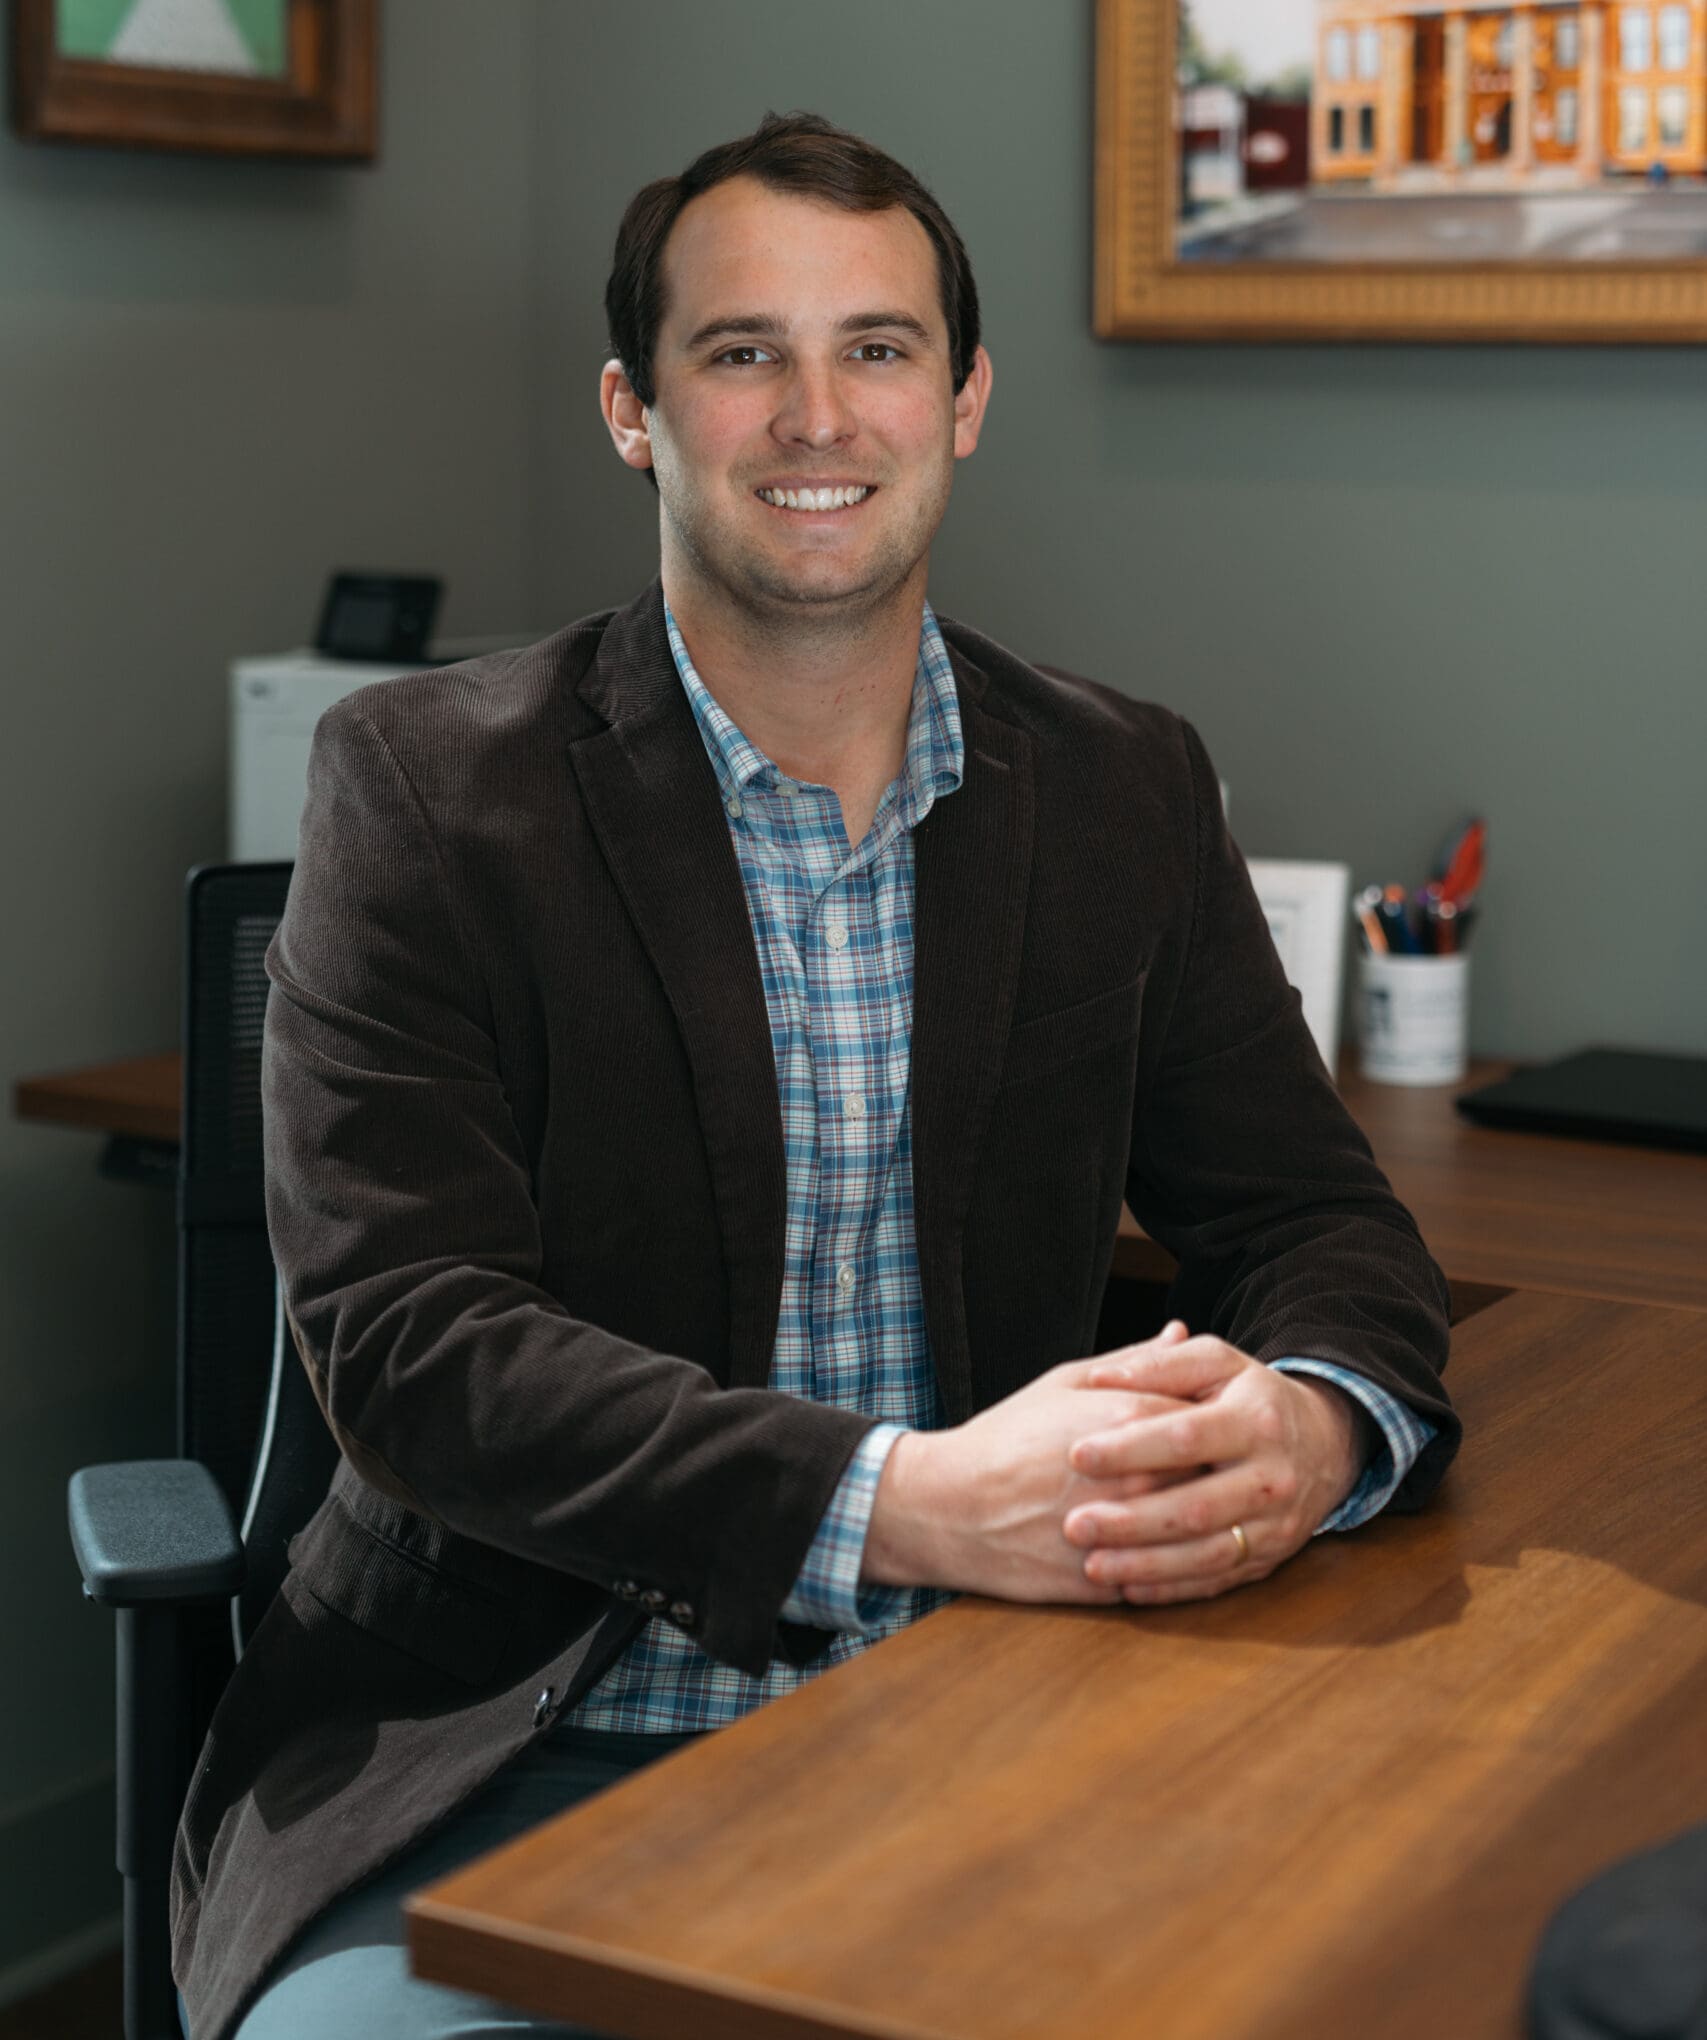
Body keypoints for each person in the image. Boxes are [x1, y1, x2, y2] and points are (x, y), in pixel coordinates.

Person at [173, 112, 1459, 2040]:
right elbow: (411, 1343)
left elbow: (1310, 1224)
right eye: (741, 351)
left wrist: (1319, 1434)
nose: (816, 415)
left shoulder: (1120, 786)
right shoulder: (426, 789)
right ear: (633, 408)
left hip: (1002, 1724)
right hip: (517, 1741)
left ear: (965, 401)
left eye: (877, 348)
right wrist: (906, 1502)